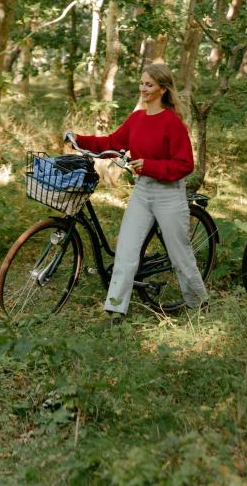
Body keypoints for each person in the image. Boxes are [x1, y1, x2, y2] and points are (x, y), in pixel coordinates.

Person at [67, 63, 208, 322]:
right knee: (126, 253)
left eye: (149, 85)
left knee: (181, 257)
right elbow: (112, 142)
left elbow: (185, 164)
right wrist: (79, 139)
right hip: (143, 192)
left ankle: (199, 305)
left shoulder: (172, 123)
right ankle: (115, 310)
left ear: (163, 89)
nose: (143, 89)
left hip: (169, 194)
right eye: (142, 83)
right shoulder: (137, 119)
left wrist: (150, 165)